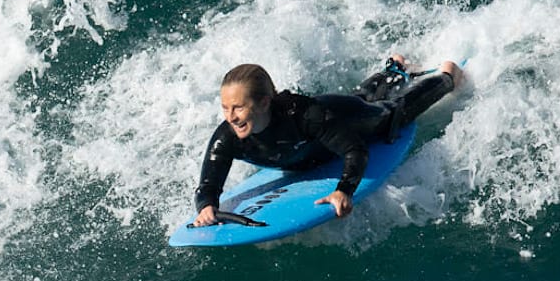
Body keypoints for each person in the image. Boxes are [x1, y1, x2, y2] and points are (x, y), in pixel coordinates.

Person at [192, 56, 464, 227]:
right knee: (362, 94)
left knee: (390, 113)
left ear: (263, 102)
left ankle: (447, 75)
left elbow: (355, 149)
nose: (231, 117)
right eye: (225, 108)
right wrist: (206, 206)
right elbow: (208, 184)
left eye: (238, 107)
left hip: (347, 117)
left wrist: (344, 189)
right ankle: (395, 67)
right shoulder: (227, 137)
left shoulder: (305, 117)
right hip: (319, 140)